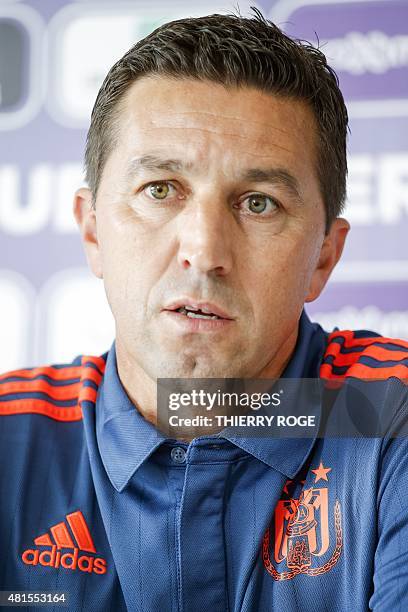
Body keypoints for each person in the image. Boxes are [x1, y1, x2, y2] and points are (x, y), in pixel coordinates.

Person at [0, 10, 407, 612]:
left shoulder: (388, 417)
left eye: (259, 203)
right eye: (160, 189)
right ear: (92, 231)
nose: (205, 252)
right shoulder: (11, 439)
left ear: (324, 257)